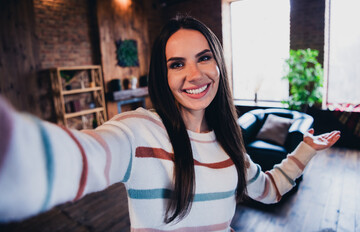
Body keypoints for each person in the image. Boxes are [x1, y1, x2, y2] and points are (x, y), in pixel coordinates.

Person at [0, 16, 340, 231]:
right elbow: (80, 157)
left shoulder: (230, 140)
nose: (194, 75)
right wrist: (16, 149)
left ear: (218, 64)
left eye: (204, 58)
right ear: (163, 76)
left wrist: (307, 149)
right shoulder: (136, 131)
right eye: (177, 64)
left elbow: (267, 190)